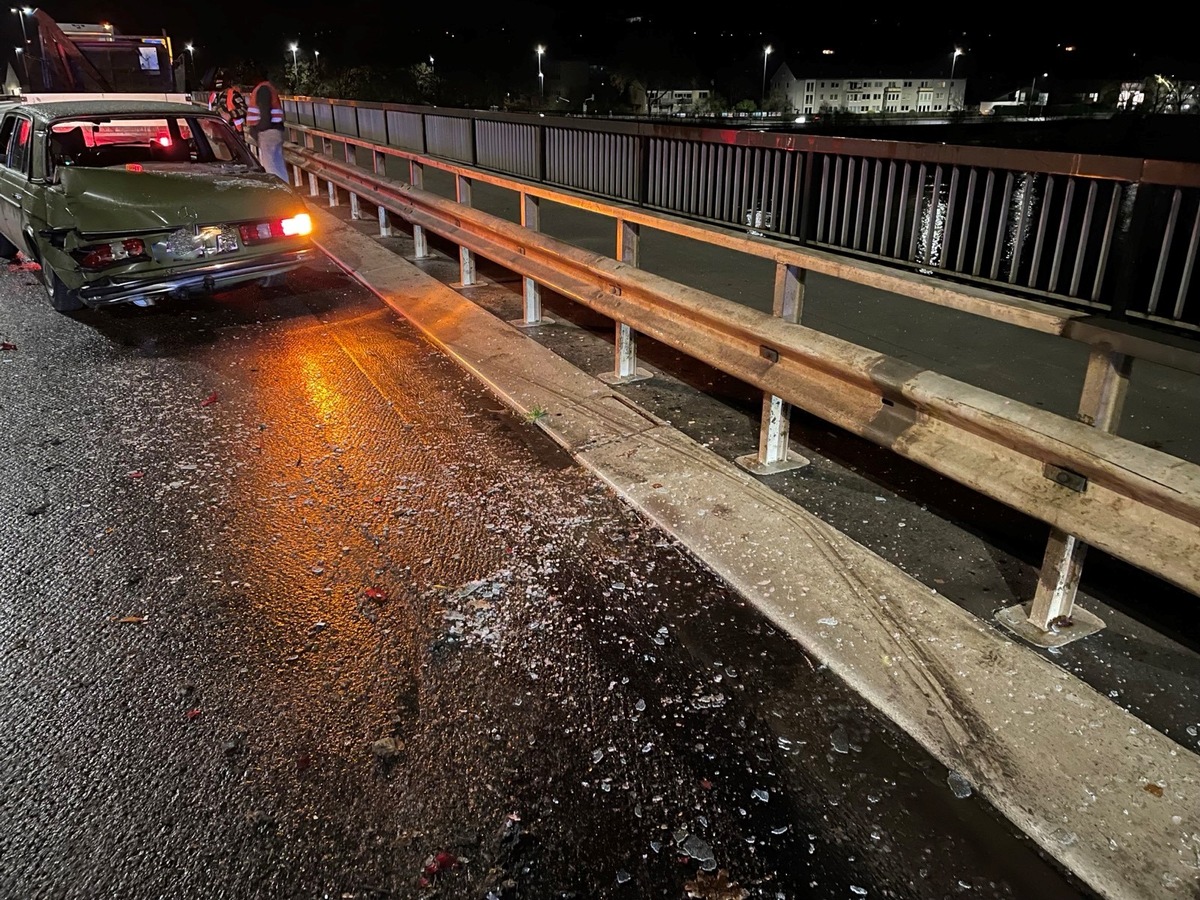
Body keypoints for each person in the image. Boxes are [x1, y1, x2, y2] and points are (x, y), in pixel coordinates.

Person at [246, 69, 288, 182]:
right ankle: (285, 193)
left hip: (267, 132)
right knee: (278, 166)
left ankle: (278, 195)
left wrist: (258, 130)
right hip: (273, 131)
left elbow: (265, 112)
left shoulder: (263, 89)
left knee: (271, 169)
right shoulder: (268, 88)